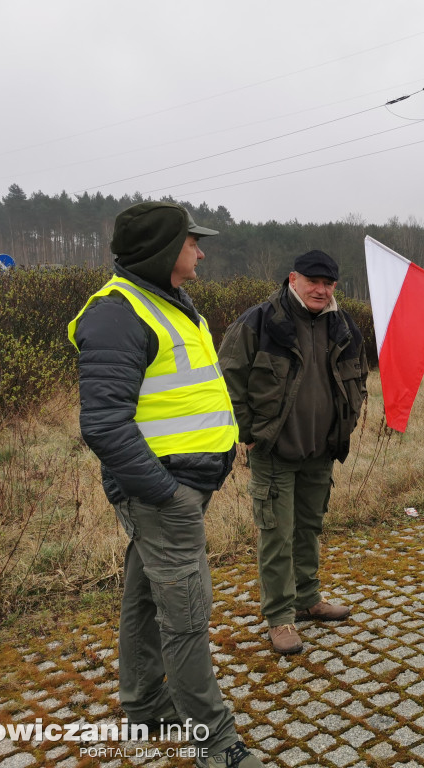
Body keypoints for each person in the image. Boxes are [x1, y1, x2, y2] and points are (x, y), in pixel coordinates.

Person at [68, 201, 263, 768]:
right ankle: (216, 742)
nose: (201, 252)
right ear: (162, 250)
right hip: (164, 492)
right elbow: (103, 422)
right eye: (192, 243)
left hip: (179, 487)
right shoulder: (118, 313)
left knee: (145, 594)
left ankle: (146, 706)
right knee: (187, 612)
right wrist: (165, 493)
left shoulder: (169, 303)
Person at [218, 250, 368, 655]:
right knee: (276, 536)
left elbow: (359, 376)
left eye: (329, 283)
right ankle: (280, 617)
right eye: (312, 281)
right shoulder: (261, 321)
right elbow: (227, 377)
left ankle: (308, 598)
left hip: (320, 451)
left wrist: (347, 423)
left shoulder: (343, 324)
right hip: (274, 451)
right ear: (292, 279)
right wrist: (247, 432)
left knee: (308, 528)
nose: (320, 290)